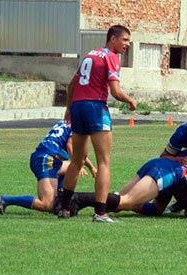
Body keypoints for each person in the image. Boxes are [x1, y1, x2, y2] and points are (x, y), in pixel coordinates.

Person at [58, 25, 137, 222]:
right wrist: (130, 100)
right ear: (112, 39)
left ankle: (64, 208)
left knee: (77, 159)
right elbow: (115, 92)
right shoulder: (111, 56)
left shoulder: (90, 55)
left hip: (78, 107)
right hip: (95, 108)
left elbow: (71, 85)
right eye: (125, 40)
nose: (128, 44)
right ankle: (100, 213)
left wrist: (69, 108)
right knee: (104, 161)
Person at [68, 148, 187, 221]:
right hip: (167, 173)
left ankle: (71, 201)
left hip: (159, 164)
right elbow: (180, 187)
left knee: (152, 209)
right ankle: (77, 199)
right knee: (125, 201)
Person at [0, 120, 96, 214]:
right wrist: (77, 163)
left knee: (71, 169)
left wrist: (91, 167)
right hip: (46, 160)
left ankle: (60, 198)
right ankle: (4, 200)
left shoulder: (68, 120)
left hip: (48, 158)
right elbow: (71, 146)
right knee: (47, 204)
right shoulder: (78, 123)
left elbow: (79, 152)